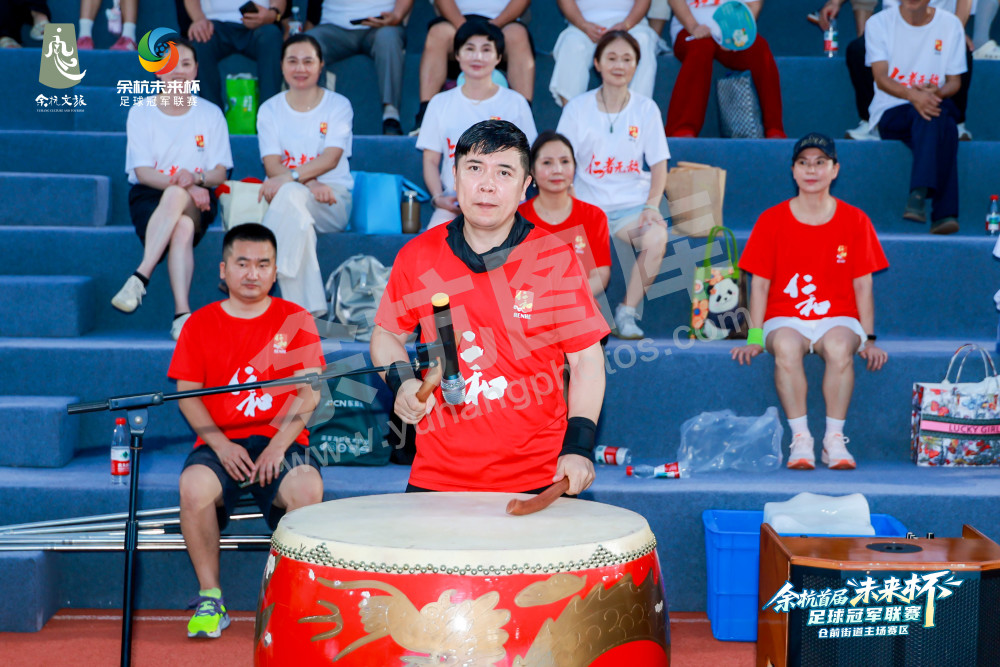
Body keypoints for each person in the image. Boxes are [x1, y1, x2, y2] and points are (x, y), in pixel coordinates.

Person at [371, 120, 609, 495]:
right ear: (454, 175)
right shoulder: (417, 256)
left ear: (524, 186)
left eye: (504, 172)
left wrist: (579, 448)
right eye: (474, 168)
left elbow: (586, 361)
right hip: (438, 477)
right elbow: (387, 334)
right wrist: (402, 384)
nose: (486, 184)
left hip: (536, 478)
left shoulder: (555, 259)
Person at [170, 223, 325, 638]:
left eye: (263, 264)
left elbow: (309, 395)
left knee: (307, 487)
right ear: (223, 270)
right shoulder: (199, 324)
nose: (252, 273)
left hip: (283, 440)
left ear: (276, 271)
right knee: (193, 486)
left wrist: (276, 447)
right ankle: (210, 598)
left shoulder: (296, 319)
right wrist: (219, 445)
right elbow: (187, 395)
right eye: (242, 263)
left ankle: (289, 600)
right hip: (222, 441)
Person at [732, 133, 889, 471]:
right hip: (785, 318)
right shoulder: (771, 219)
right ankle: (801, 437)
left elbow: (863, 285)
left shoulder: (855, 220)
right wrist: (755, 338)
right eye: (804, 163)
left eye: (821, 162)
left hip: (838, 318)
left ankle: (834, 439)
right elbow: (759, 286)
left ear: (835, 170)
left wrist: (869, 339)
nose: (812, 170)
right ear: (793, 170)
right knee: (786, 347)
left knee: (837, 347)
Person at [113, 39, 233, 341]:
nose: (178, 71)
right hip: (149, 196)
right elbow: (142, 172)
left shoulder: (210, 113)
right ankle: (182, 313)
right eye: (169, 63)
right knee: (180, 224)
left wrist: (196, 180)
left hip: (200, 197)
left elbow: (220, 171)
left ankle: (140, 276)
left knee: (179, 197)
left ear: (195, 71)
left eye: (186, 63)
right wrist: (188, 185)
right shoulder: (141, 111)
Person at [556, 30, 669, 340]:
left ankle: (627, 312)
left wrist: (651, 205)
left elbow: (659, 164)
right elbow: (561, 159)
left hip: (629, 209)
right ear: (597, 63)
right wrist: (571, 202)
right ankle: (574, 316)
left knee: (657, 236)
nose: (619, 65)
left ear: (636, 66)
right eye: (612, 58)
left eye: (627, 59)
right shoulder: (577, 108)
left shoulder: (646, 109)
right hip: (586, 205)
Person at [257, 33, 353, 317]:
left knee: (288, 195)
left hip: (332, 199)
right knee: (297, 220)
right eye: (293, 61)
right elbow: (272, 165)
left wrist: (298, 180)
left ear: (321, 65)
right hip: (299, 196)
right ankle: (309, 313)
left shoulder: (338, 105)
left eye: (308, 61)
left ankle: (264, 265)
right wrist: (308, 182)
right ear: (282, 66)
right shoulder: (270, 109)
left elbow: (331, 157)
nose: (300, 68)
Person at [417, 20, 536, 229]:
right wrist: (438, 198)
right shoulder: (439, 103)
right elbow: (430, 160)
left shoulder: (515, 103)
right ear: (457, 55)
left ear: (498, 57)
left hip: (504, 203)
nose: (477, 57)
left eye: (486, 49)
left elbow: (528, 158)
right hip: (454, 203)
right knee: (433, 251)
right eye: (469, 49)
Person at [867, 0, 966, 233]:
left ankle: (919, 195)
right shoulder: (879, 23)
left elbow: (954, 82)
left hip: (932, 102)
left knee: (939, 120)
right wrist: (913, 96)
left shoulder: (950, 25)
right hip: (891, 109)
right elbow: (881, 78)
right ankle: (944, 212)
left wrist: (935, 93)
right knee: (943, 123)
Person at [829, 0, 973, 141]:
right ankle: (871, 121)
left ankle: (957, 122)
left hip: (939, 23)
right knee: (858, 49)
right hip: (895, 21)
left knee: (962, 51)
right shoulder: (880, 23)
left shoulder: (949, 24)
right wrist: (835, 2)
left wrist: (956, 31)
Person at [665, 0, 785, 138]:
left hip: (733, 30)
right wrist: (693, 27)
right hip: (690, 27)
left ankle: (774, 128)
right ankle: (682, 128)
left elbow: (754, 4)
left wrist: (737, 33)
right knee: (701, 49)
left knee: (760, 49)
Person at [413, 0, 535, 129]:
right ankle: (425, 115)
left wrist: (493, 27)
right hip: (455, 21)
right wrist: (466, 29)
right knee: (437, 33)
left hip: (504, 22)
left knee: (518, 35)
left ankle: (524, 116)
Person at [518, 131, 612, 299]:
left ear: (574, 167)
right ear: (532, 170)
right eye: (547, 163)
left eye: (565, 162)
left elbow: (600, 276)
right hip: (529, 309)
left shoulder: (594, 216)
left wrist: (563, 301)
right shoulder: (517, 219)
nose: (557, 170)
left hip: (578, 307)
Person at [305, 0, 411, 135]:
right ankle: (316, 116)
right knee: (309, 46)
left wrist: (396, 16)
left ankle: (391, 116)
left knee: (388, 38)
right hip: (333, 26)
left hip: (383, 25)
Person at [549, 0, 660, 106]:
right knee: (571, 44)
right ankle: (571, 115)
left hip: (631, 24)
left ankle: (636, 116)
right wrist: (583, 25)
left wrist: (626, 25)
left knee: (643, 42)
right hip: (582, 25)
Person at [184, 0, 286, 109]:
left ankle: (269, 113)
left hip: (260, 24)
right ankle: (211, 114)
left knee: (271, 36)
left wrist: (272, 13)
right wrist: (198, 18)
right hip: (213, 24)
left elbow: (278, 3)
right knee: (199, 39)